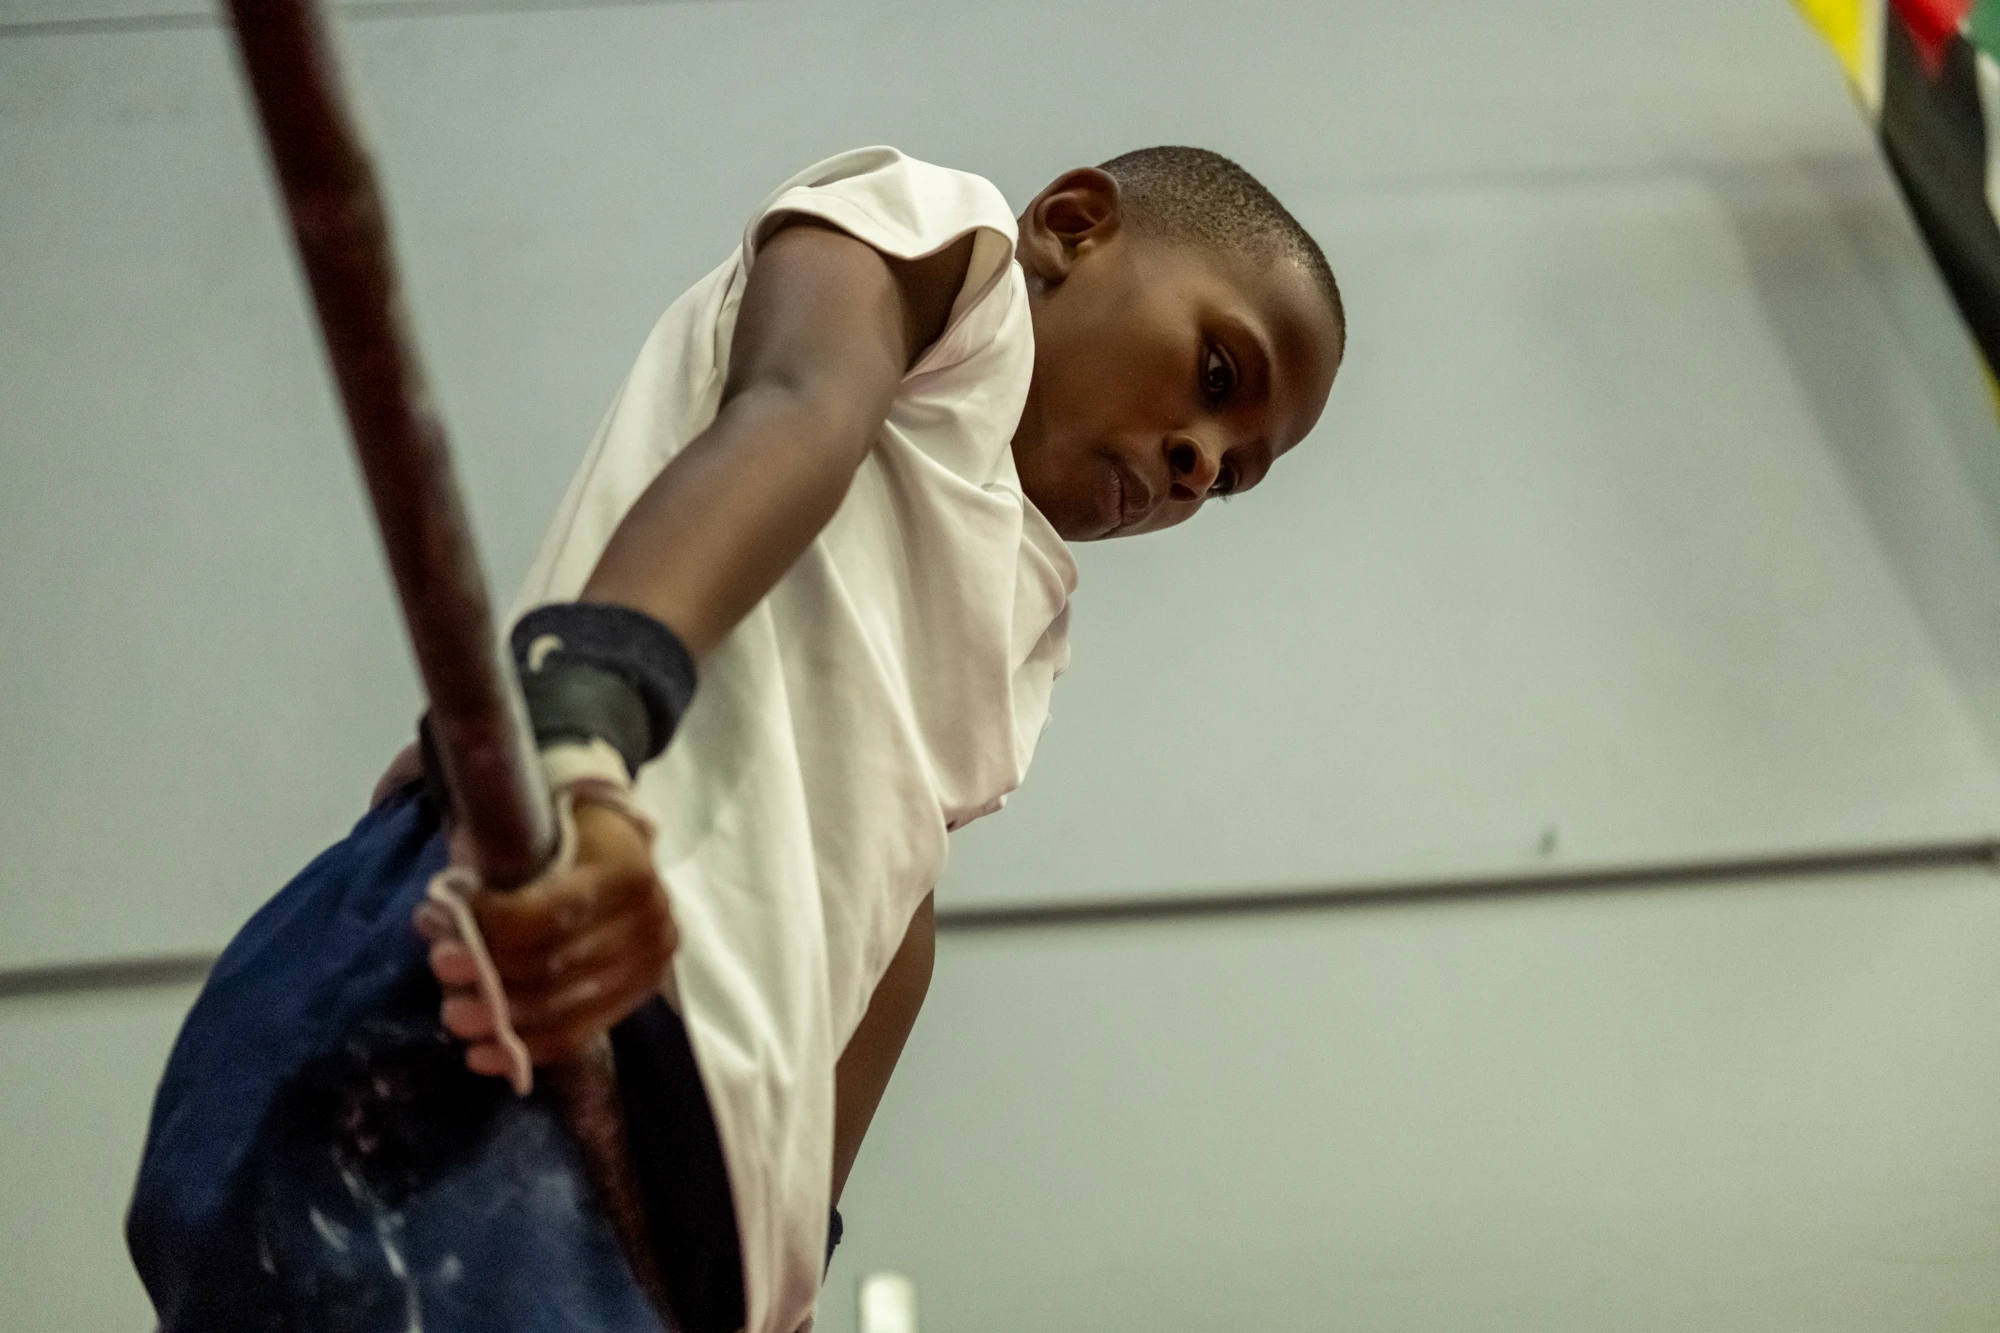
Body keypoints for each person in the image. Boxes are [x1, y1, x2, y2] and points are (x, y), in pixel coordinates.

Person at [129, 143, 1345, 1333]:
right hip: (541, 951)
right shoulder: (940, 252)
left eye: (1233, 476)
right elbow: (790, 412)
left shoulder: (1022, 628)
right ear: (1073, 226)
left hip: (686, 1178)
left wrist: (790, 1246)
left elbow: (895, 906)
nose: (1197, 459)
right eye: (1217, 375)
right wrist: (574, 736)